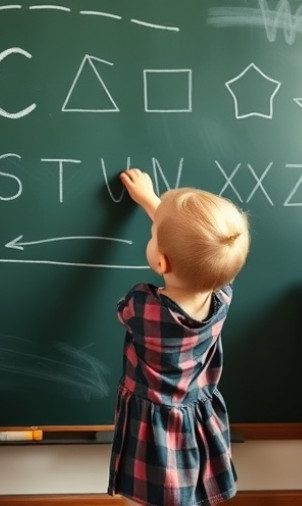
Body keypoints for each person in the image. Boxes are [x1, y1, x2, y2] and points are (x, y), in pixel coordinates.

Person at [108, 168, 250, 506]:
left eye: (153, 234)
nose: (152, 233)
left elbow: (121, 311)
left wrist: (152, 206)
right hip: (197, 414)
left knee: (148, 495)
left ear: (159, 260)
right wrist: (150, 201)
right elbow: (199, 245)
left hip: (152, 422)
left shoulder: (142, 306)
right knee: (191, 489)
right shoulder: (223, 297)